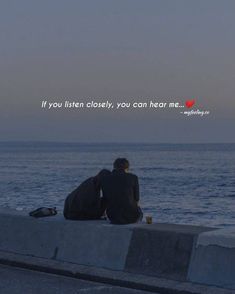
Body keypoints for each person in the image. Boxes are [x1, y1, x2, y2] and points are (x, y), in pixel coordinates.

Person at [101, 158, 143, 224]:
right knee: (139, 211)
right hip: (131, 218)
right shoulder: (133, 177)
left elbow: (105, 199)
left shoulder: (105, 179)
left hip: (113, 217)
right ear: (127, 167)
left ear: (114, 167)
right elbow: (137, 199)